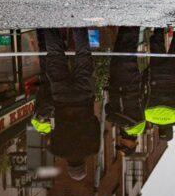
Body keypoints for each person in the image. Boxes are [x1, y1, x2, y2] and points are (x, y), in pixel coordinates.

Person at [31, 28, 99, 182]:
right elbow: (54, 128)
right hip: (61, 97)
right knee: (55, 55)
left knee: (83, 55)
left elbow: (95, 122)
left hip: (83, 97)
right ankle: (49, 25)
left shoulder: (93, 149)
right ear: (69, 166)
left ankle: (77, 26)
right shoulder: (58, 150)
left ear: (84, 165)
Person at [143, 29, 175, 141]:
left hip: (173, 73)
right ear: (159, 131)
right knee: (156, 43)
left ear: (170, 130)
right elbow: (141, 93)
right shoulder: (148, 116)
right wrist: (147, 73)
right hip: (155, 73)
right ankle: (159, 21)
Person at [106, 26, 146, 156]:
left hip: (118, 84)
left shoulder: (125, 129)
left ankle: (125, 24)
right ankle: (132, 22)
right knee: (127, 50)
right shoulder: (137, 129)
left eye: (120, 145)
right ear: (134, 144)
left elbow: (108, 109)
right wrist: (112, 115)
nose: (121, 142)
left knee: (119, 51)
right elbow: (111, 115)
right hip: (127, 83)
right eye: (124, 145)